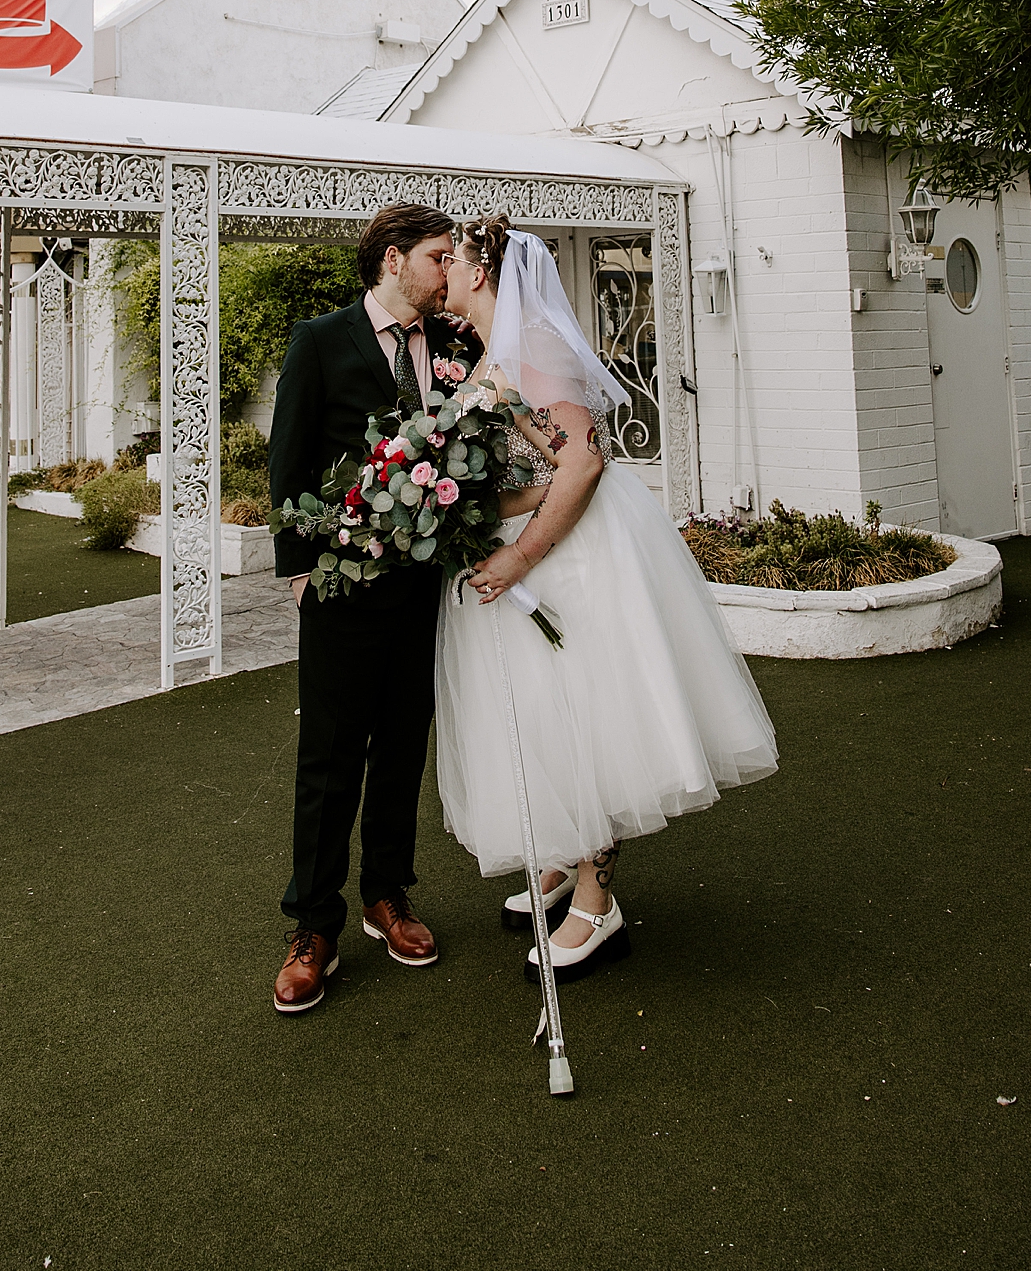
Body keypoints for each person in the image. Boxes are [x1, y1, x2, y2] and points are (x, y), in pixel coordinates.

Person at [435, 214, 778, 981]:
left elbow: (580, 464)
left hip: (571, 558)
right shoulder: (491, 352)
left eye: (452, 259)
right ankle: (560, 857)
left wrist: (520, 555)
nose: (445, 273)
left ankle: (597, 902)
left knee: (585, 716)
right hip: (522, 556)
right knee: (542, 715)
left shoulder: (539, 349)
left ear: (482, 271)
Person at [268, 202, 478, 1015]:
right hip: (340, 588)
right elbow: (287, 462)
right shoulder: (320, 341)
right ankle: (313, 927)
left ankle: (388, 895)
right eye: (435, 256)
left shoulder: (457, 346)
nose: (446, 272)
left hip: (425, 590)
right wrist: (300, 574)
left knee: (401, 745)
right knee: (328, 759)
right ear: (393, 259)